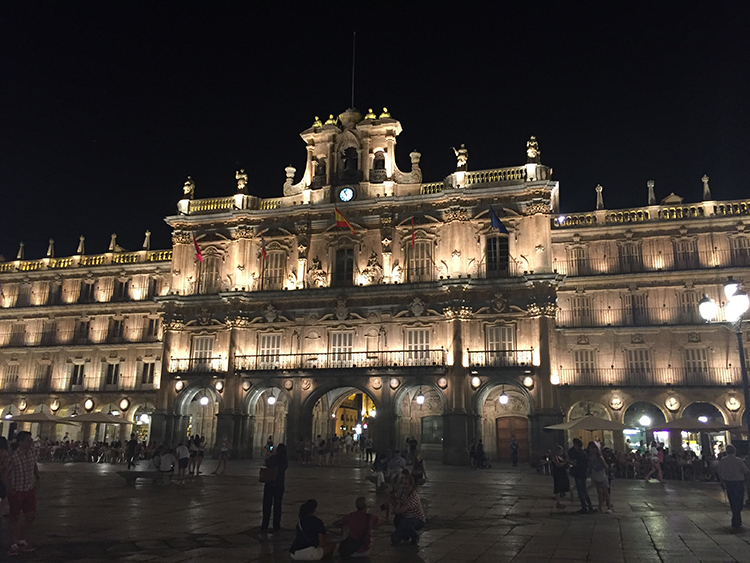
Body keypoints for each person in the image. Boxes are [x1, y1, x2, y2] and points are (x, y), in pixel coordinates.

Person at [4, 432, 40, 555]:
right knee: (14, 517)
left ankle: (20, 538)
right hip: (17, 489)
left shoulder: (31, 453)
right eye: (28, 440)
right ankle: (13, 542)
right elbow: (4, 473)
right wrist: (10, 489)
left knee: (31, 515)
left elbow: (34, 465)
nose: (30, 443)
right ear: (20, 442)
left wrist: (37, 477)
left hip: (29, 489)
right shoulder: (12, 456)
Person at [718, 444, 750, 529]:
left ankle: (735, 517)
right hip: (738, 482)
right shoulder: (738, 460)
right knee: (739, 500)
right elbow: (746, 470)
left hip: (729, 483)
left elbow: (720, 472)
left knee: (732, 500)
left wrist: (722, 482)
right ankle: (737, 517)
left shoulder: (723, 460)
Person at [390, 475, 426, 546]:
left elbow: (404, 508)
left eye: (406, 484)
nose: (403, 486)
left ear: (411, 485)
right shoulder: (402, 491)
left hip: (417, 519)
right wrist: (395, 505)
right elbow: (393, 497)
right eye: (402, 483)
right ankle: (405, 535)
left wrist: (395, 511)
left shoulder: (413, 497)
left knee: (407, 523)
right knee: (398, 519)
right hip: (405, 517)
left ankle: (414, 536)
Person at [261, 443, 288, 532]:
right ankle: (276, 525)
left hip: (269, 483)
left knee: (267, 505)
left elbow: (266, 463)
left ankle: (265, 524)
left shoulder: (273, 458)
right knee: (277, 505)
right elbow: (284, 468)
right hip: (279, 484)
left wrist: (270, 454)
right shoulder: (284, 460)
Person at [568, 438, 593, 514]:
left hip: (578, 473)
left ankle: (584, 507)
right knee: (584, 490)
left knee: (580, 491)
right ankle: (590, 506)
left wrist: (569, 462)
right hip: (584, 473)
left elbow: (575, 463)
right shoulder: (584, 453)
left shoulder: (577, 453)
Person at [588, 441, 612, 513]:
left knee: (605, 491)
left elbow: (606, 466)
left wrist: (606, 474)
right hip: (596, 475)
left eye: (593, 448)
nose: (591, 449)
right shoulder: (591, 457)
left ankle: (608, 507)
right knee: (599, 492)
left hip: (602, 475)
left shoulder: (600, 457)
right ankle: (600, 507)